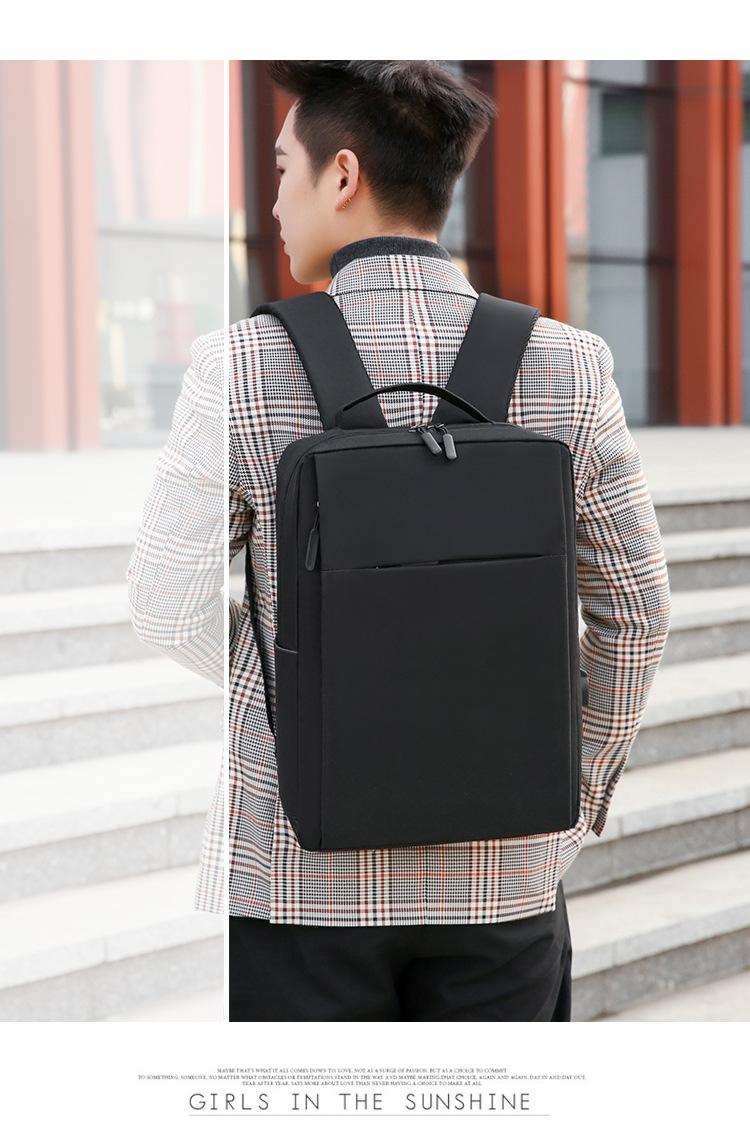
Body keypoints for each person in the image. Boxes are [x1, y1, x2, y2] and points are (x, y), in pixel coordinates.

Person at [130, 60, 672, 1023]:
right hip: (505, 874)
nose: (274, 200)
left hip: (301, 876)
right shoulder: (569, 363)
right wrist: (576, 796)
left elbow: (166, 606)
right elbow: (636, 613)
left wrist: (316, 687)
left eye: (283, 169)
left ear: (342, 175)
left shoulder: (238, 366)